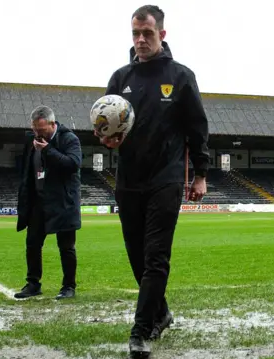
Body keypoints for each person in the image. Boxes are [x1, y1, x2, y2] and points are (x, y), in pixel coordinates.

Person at [98, 5, 210, 358]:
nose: (141, 39)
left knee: (156, 257)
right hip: (129, 179)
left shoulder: (180, 77)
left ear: (162, 34)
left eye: (147, 33)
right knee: (137, 257)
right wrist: (105, 138)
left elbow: (197, 128)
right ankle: (160, 314)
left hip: (167, 178)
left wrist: (201, 174)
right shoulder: (119, 79)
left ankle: (140, 330)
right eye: (135, 33)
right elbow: (104, 124)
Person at [15, 105, 83, 300]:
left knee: (66, 247)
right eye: (35, 129)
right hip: (39, 202)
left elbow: (73, 164)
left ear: (53, 124)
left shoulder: (69, 139)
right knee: (32, 243)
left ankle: (68, 286)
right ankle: (33, 283)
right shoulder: (32, 141)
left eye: (42, 129)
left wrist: (48, 151)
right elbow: (27, 171)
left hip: (63, 202)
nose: (38, 133)